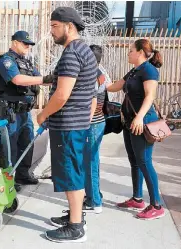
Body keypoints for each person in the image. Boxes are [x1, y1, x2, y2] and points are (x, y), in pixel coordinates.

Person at [37, 7, 99, 243]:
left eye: (54, 26)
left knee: (70, 173)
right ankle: (76, 216)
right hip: (77, 123)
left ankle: (75, 227)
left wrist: (43, 115)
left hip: (68, 125)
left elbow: (62, 94)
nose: (51, 32)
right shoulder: (85, 51)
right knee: (75, 170)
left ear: (69, 26)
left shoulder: (72, 53)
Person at [105, 38, 165, 220]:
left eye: (131, 50)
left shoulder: (148, 70)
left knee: (145, 161)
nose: (128, 53)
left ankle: (157, 205)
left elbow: (150, 96)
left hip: (142, 122)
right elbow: (116, 86)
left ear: (140, 52)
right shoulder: (134, 71)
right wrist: (98, 82)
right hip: (130, 122)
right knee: (134, 161)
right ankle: (137, 198)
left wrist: (139, 118)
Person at [0, 30, 54, 189]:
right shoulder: (5, 61)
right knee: (10, 146)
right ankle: (8, 180)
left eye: (29, 44)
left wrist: (58, 78)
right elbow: (17, 79)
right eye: (25, 43)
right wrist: (44, 79)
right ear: (14, 43)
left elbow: (42, 79)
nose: (28, 47)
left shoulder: (27, 63)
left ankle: (23, 174)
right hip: (10, 112)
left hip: (25, 112)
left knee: (27, 143)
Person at [83, 45, 107, 214]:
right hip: (99, 122)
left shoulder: (91, 76)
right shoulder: (101, 74)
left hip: (92, 123)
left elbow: (92, 101)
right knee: (93, 161)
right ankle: (94, 194)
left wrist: (86, 121)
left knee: (90, 162)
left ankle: (94, 202)